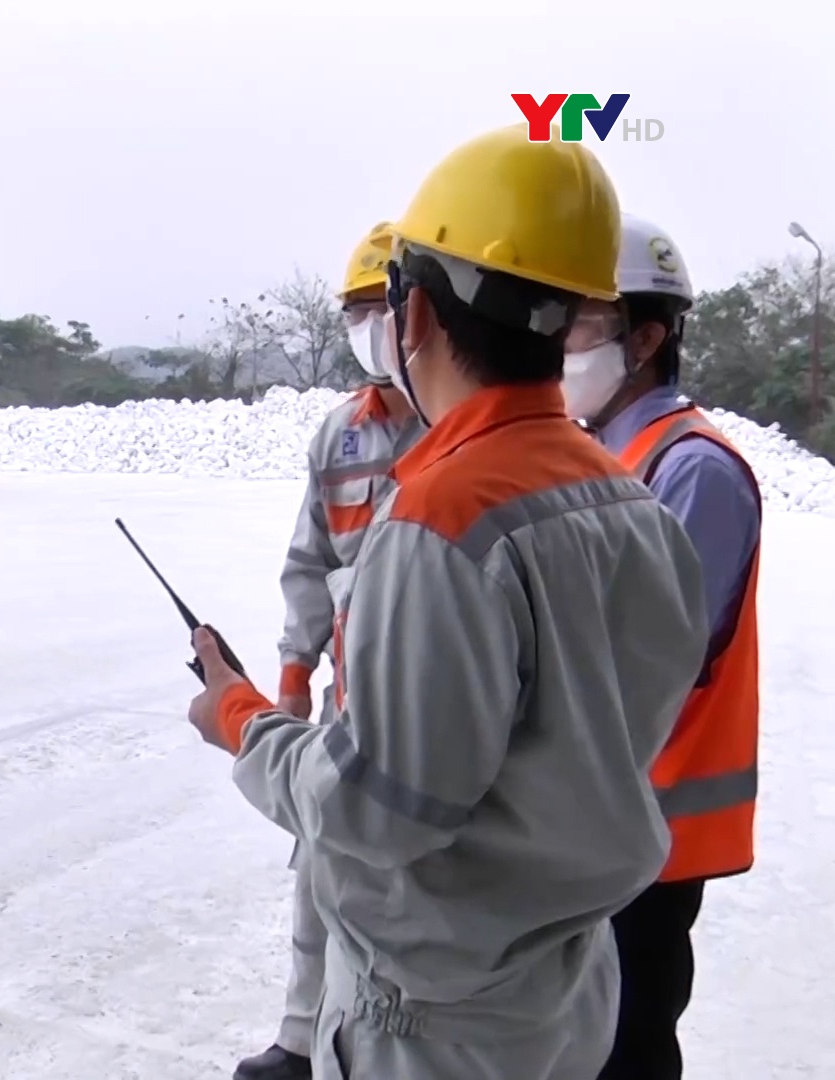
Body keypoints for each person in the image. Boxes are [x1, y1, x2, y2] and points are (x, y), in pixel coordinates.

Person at [185, 123, 713, 1080]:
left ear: (414, 315)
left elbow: (376, 813)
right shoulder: (630, 502)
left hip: (438, 1024)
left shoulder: (441, 521)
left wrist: (241, 720)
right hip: (564, 991)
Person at [561, 214, 763, 1080]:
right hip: (600, 822)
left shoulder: (693, 469)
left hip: (656, 832)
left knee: (626, 1050)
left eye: (580, 325)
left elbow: (646, 661)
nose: (559, 345)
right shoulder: (606, 454)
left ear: (646, 337)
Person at [236, 223, 428, 1080]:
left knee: (403, 891)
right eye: (352, 314)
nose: (366, 331)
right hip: (345, 706)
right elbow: (310, 564)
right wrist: (289, 680)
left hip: (430, 709)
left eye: (373, 310)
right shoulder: (340, 435)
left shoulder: (458, 432)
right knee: (319, 872)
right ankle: (299, 1038)